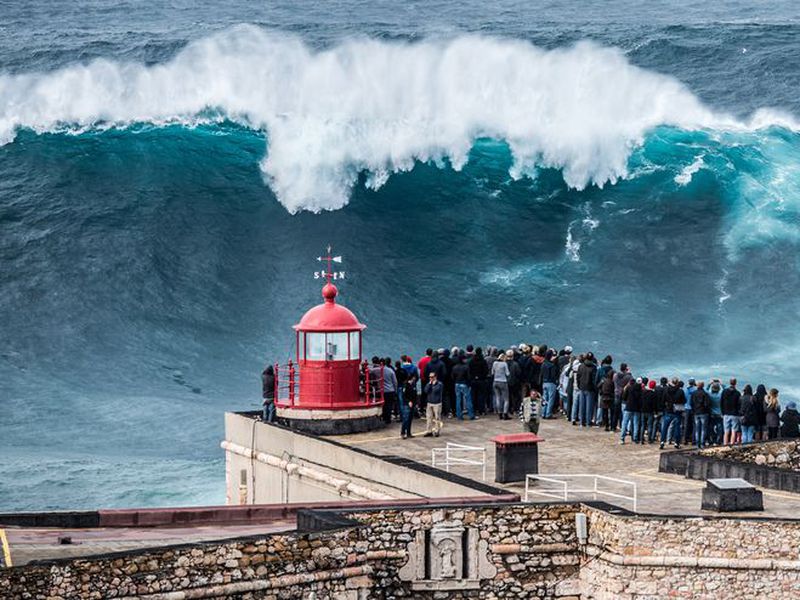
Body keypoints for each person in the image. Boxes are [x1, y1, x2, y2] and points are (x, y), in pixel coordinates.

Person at [660, 378, 683, 449]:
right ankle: (677, 443)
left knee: (665, 427)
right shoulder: (680, 391)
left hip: (668, 410)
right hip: (677, 411)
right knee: (677, 427)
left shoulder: (666, 390)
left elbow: (663, 400)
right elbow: (684, 400)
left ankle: (662, 442)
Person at [576, 355, 598, 427]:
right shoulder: (593, 367)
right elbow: (594, 380)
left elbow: (578, 377)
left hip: (582, 387)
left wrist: (579, 385)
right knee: (589, 407)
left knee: (582, 405)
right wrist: (595, 389)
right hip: (590, 389)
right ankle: (588, 422)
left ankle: (582, 422)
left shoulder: (581, 366)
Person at [620, 378, 642, 444]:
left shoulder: (629, 388)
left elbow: (624, 397)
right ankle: (635, 439)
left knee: (625, 422)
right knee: (636, 424)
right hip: (637, 408)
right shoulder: (640, 390)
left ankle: (622, 438)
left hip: (628, 407)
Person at [468, 347, 490, 416]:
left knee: (473, 395)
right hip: (481, 380)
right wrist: (482, 376)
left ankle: (474, 409)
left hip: (473, 380)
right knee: (481, 395)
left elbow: (469, 370)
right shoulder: (483, 361)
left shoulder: (472, 361)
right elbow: (486, 371)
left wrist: (472, 377)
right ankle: (481, 410)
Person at [452, 354, 474, 420]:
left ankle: (459, 415)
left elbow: (452, 377)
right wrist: (469, 384)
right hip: (464, 384)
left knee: (458, 400)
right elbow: (468, 377)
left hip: (457, 384)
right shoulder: (466, 367)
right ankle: (471, 415)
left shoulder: (454, 367)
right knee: (468, 400)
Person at [721, 378, 742, 446]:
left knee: (726, 431)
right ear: (735, 383)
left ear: (730, 382)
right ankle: (732, 444)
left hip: (726, 413)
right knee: (734, 431)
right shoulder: (737, 393)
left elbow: (721, 402)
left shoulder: (724, 392)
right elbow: (739, 404)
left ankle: (725, 444)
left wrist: (722, 412)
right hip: (734, 414)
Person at [612, 364, 632, 432]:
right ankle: (622, 426)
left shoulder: (615, 375)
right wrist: (629, 372)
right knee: (623, 412)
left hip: (616, 393)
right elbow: (632, 382)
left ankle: (613, 427)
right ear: (626, 369)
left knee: (616, 412)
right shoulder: (628, 377)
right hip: (624, 395)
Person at [540, 350, 560, 419]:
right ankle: (548, 414)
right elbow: (554, 375)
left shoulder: (543, 364)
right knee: (551, 399)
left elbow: (541, 374)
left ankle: (543, 413)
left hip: (544, 382)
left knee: (545, 398)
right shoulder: (552, 365)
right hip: (551, 382)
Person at [692, 381, 711, 449]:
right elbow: (707, 404)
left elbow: (692, 403)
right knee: (703, 429)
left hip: (696, 412)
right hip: (703, 412)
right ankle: (702, 443)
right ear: (703, 386)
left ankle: (697, 443)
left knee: (697, 429)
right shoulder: (705, 394)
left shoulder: (694, 393)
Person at [423, 372, 444, 437]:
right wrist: (430, 384)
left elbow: (435, 391)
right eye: (429, 377)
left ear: (435, 377)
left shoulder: (439, 384)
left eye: (432, 377)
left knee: (437, 417)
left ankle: (437, 431)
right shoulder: (429, 384)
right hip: (429, 402)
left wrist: (433, 384)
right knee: (429, 417)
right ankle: (429, 431)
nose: (430, 378)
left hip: (437, 403)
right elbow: (426, 390)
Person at [492, 352, 511, 419]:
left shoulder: (494, 363)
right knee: (506, 399)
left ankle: (499, 413)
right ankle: (505, 413)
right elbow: (507, 373)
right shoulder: (504, 364)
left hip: (495, 381)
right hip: (503, 381)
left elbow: (492, 372)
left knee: (498, 397)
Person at [641, 380, 657, 444]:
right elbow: (654, 404)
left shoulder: (644, 392)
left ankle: (642, 439)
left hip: (643, 410)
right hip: (650, 411)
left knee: (643, 425)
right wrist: (655, 412)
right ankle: (649, 439)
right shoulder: (654, 394)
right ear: (654, 386)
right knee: (650, 425)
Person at [708, 379, 723, 445]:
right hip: (719, 413)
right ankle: (718, 440)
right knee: (719, 428)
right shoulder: (720, 395)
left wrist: (709, 384)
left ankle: (712, 439)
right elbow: (725, 389)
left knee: (711, 427)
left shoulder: (710, 395)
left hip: (711, 413)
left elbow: (706, 390)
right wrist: (721, 383)